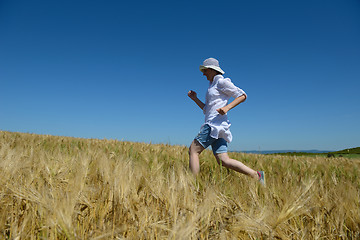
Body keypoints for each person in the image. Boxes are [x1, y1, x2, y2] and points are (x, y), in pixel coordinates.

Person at [188, 57, 265, 185]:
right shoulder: (212, 85)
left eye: (205, 70)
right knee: (223, 160)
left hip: (214, 125)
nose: (203, 73)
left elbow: (242, 95)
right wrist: (195, 99)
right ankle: (257, 175)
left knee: (193, 151)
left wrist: (227, 107)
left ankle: (192, 185)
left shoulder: (221, 82)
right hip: (218, 127)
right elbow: (207, 109)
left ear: (212, 70)